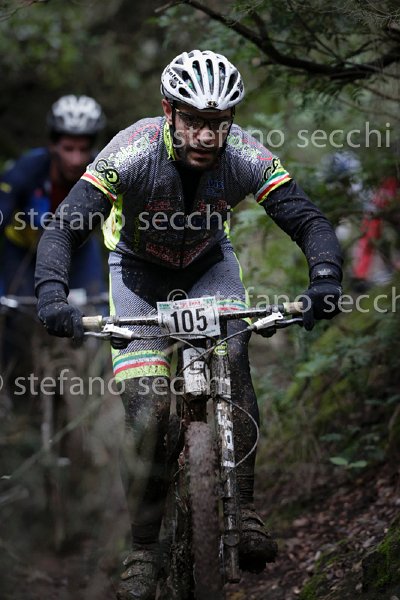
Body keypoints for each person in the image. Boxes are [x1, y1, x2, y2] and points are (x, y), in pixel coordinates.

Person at [34, 50, 343, 599]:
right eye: (194, 121)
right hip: (138, 276)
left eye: (218, 123)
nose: (206, 135)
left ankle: (244, 507)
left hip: (208, 268)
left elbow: (306, 218)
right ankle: (143, 548)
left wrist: (324, 277)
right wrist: (52, 292)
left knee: (236, 359)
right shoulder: (131, 150)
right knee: (148, 415)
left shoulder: (244, 154)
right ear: (168, 112)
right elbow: (65, 225)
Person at [0, 94, 107, 388]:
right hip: (23, 255)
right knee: (15, 319)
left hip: (78, 255)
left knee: (98, 315)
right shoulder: (27, 170)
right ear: (53, 145)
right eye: (68, 148)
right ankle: (14, 390)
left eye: (83, 149)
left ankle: (90, 390)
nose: (76, 159)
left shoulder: (103, 170)